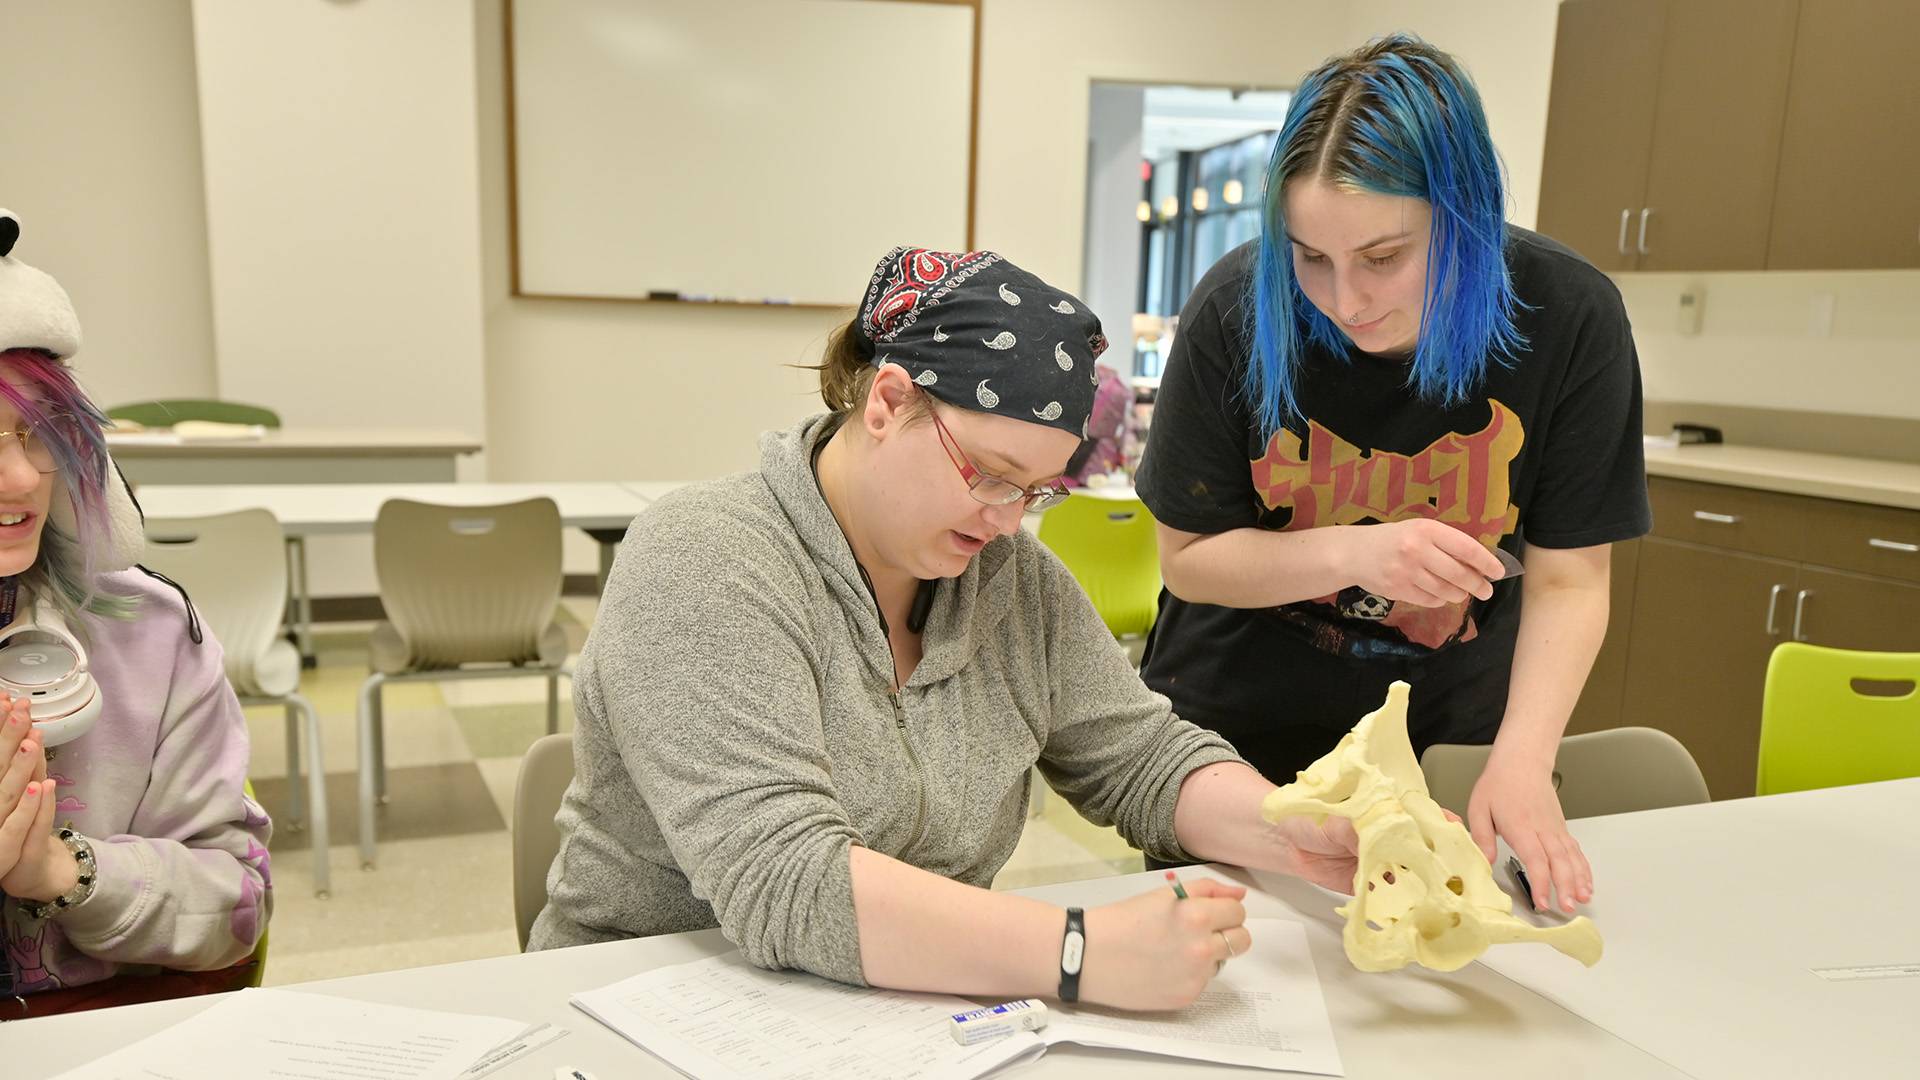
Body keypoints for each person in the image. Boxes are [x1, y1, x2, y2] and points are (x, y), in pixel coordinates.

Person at [529, 246, 1356, 1011]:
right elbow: (785, 879)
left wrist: (1299, 829)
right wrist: (1077, 951)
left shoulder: (1010, 581)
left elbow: (1142, 757)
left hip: (902, 1003)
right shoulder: (707, 558)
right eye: (991, 476)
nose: (1005, 522)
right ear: (889, 402)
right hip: (649, 1000)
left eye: (1034, 491)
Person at [1134, 35, 1651, 916]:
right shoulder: (1233, 310)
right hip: (1237, 745)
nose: (1345, 299)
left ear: (1467, 216)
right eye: (1309, 257)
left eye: (1383, 257)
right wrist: (1353, 554)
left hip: (1444, 746)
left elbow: (1570, 576)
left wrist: (1521, 761)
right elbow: (1189, 559)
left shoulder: (1567, 317)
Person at [0, 210, 270, 1015]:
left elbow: (236, 904)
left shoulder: (152, 639)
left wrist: (61, 870)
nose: (16, 480)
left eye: (35, 435)